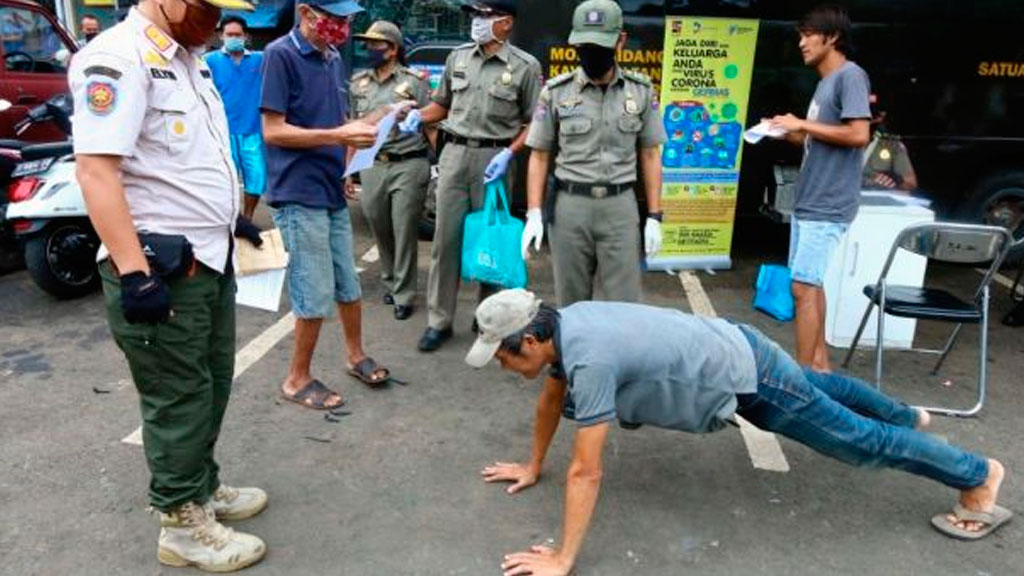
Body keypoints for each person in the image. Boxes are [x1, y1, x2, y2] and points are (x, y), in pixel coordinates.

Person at [468, 290, 1012, 576]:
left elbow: (587, 469)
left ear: (532, 341)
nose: (502, 370)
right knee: (819, 390)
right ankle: (906, 415)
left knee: (857, 443)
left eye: (502, 358)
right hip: (739, 345)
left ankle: (977, 475)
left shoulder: (590, 360)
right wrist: (533, 463)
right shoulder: (570, 324)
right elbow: (550, 397)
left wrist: (563, 559)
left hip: (749, 377)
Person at [71, 0, 269, 571]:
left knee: (211, 385)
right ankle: (180, 519)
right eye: (209, 8)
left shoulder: (188, 58)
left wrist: (227, 215)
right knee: (178, 396)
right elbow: (97, 170)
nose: (219, 22)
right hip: (161, 270)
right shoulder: (116, 58)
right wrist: (135, 275)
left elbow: (180, 160)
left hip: (207, 256)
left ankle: (201, 488)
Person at [261, 0, 402, 409]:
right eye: (335, 18)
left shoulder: (332, 57)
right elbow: (274, 131)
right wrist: (340, 136)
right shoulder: (280, 55)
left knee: (348, 282)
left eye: (346, 19)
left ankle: (355, 355)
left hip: (328, 187)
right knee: (313, 289)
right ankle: (296, 378)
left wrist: (346, 170)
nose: (343, 26)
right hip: (297, 192)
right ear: (306, 12)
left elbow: (339, 121)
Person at [398, 0, 542, 352]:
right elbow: (442, 104)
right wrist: (420, 115)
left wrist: (509, 154)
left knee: (491, 242)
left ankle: (487, 320)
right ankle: (439, 320)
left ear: (506, 23)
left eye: (485, 16)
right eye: (475, 15)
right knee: (445, 242)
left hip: (496, 158)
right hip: (454, 154)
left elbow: (534, 121)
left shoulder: (524, 66)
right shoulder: (458, 58)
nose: (476, 22)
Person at [522, 0, 666, 307]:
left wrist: (655, 215)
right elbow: (539, 155)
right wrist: (534, 212)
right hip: (569, 209)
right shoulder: (557, 92)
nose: (591, 52)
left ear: (620, 40)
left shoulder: (640, 91)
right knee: (571, 303)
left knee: (624, 305)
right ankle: (573, 357)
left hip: (620, 208)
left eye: (600, 44)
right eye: (584, 45)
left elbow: (651, 154)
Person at [768, 5, 871, 372]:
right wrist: (789, 131)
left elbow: (859, 134)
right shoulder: (825, 84)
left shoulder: (850, 76)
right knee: (812, 285)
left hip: (828, 203)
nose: (802, 43)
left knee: (801, 288)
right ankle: (821, 368)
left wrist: (803, 125)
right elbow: (820, 141)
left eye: (808, 34)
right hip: (809, 200)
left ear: (832, 37)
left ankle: (803, 383)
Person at [347, 20, 432, 321]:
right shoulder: (358, 83)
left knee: (404, 227)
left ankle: (405, 293)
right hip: (372, 165)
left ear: (393, 49)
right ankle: (391, 279)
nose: (370, 49)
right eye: (367, 44)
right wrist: (348, 170)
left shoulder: (416, 81)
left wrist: (440, 164)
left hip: (409, 162)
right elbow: (353, 128)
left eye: (376, 44)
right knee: (379, 226)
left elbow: (432, 121)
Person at [206, 15, 267, 220]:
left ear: (246, 36)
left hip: (253, 131)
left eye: (238, 35)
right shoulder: (209, 61)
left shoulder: (261, 59)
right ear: (221, 36)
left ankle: (248, 218)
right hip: (223, 133)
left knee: (256, 180)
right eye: (229, 34)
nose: (234, 38)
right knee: (226, 182)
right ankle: (231, 220)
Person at [862, 95, 918, 191]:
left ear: (881, 116)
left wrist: (894, 182)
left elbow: (911, 183)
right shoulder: (834, 141)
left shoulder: (891, 145)